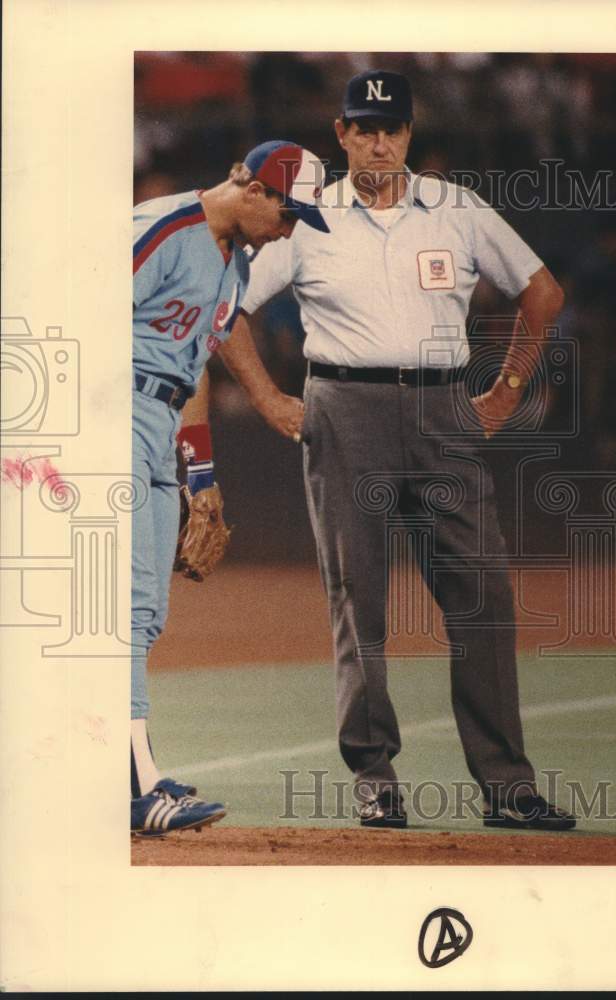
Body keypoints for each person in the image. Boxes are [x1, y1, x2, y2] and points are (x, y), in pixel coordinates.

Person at [238, 70, 575, 830]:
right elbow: (229, 311)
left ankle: (507, 786)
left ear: (410, 135)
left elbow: (542, 291)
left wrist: (507, 387)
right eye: (365, 127)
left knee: (483, 599)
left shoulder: (453, 207)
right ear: (341, 135)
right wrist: (266, 397)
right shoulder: (306, 216)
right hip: (343, 406)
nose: (380, 140)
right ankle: (375, 776)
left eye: (392, 128)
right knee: (358, 599)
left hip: (443, 406)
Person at [131, 140, 328, 836]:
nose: (290, 229)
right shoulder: (163, 228)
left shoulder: (233, 264)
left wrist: (201, 472)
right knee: (121, 609)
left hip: (158, 424)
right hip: (111, 414)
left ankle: (129, 772)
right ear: (253, 189)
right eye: (290, 212)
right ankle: (136, 786)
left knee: (146, 613)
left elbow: (190, 365)